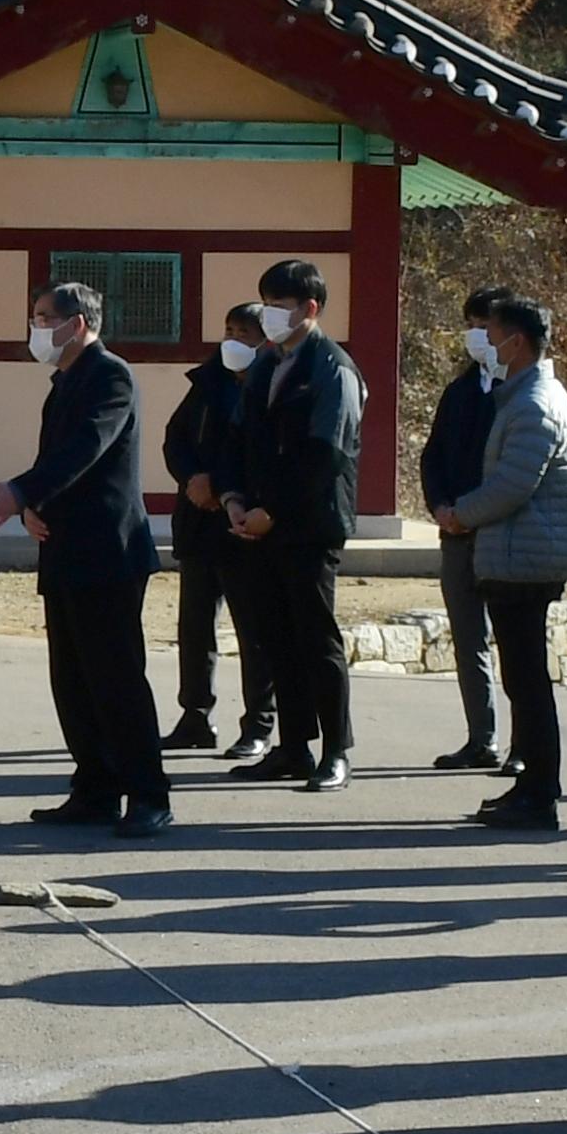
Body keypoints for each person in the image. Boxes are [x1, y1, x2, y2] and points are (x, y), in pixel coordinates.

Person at [0, 280, 172, 835]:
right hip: (65, 546)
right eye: (35, 317)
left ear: (78, 323)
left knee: (115, 678)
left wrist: (20, 490)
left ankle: (148, 794)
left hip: (108, 550)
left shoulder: (110, 375)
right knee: (73, 678)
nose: (36, 328)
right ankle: (95, 788)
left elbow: (86, 449)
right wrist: (29, 503)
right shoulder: (63, 382)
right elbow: (55, 465)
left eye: (45, 318)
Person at [430, 295, 567, 828]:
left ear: (516, 342)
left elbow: (513, 484)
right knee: (523, 676)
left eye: (491, 333)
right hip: (518, 551)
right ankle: (531, 785)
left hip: (527, 556)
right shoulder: (518, 396)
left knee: (526, 679)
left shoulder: (533, 403)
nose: (484, 345)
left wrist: (461, 516)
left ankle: (539, 790)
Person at [217, 259, 364, 790]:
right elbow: (237, 439)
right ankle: (292, 746)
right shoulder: (264, 366)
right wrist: (234, 498)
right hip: (256, 523)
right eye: (268, 303)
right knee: (274, 637)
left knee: (316, 639)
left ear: (310, 309)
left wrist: (272, 510)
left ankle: (336, 749)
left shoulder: (333, 368)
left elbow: (324, 454)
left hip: (309, 524)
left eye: (281, 305)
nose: (272, 315)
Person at [420, 287, 514, 773]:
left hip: (504, 534)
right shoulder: (459, 390)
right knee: (468, 638)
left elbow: (516, 473)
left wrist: (473, 511)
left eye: (488, 324)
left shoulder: (521, 394)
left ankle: (525, 747)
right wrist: (439, 506)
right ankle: (482, 737)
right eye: (472, 322)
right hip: (455, 531)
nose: (478, 333)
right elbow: (433, 456)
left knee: (517, 645)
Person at [162, 303, 262, 756]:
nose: (234, 339)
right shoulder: (207, 381)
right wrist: (191, 479)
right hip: (197, 521)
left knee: (253, 629)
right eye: (229, 330)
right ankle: (195, 715)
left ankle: (259, 723)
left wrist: (220, 487)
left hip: (243, 523)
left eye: (245, 332)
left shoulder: (269, 385)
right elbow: (175, 437)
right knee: (195, 626)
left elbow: (252, 452)